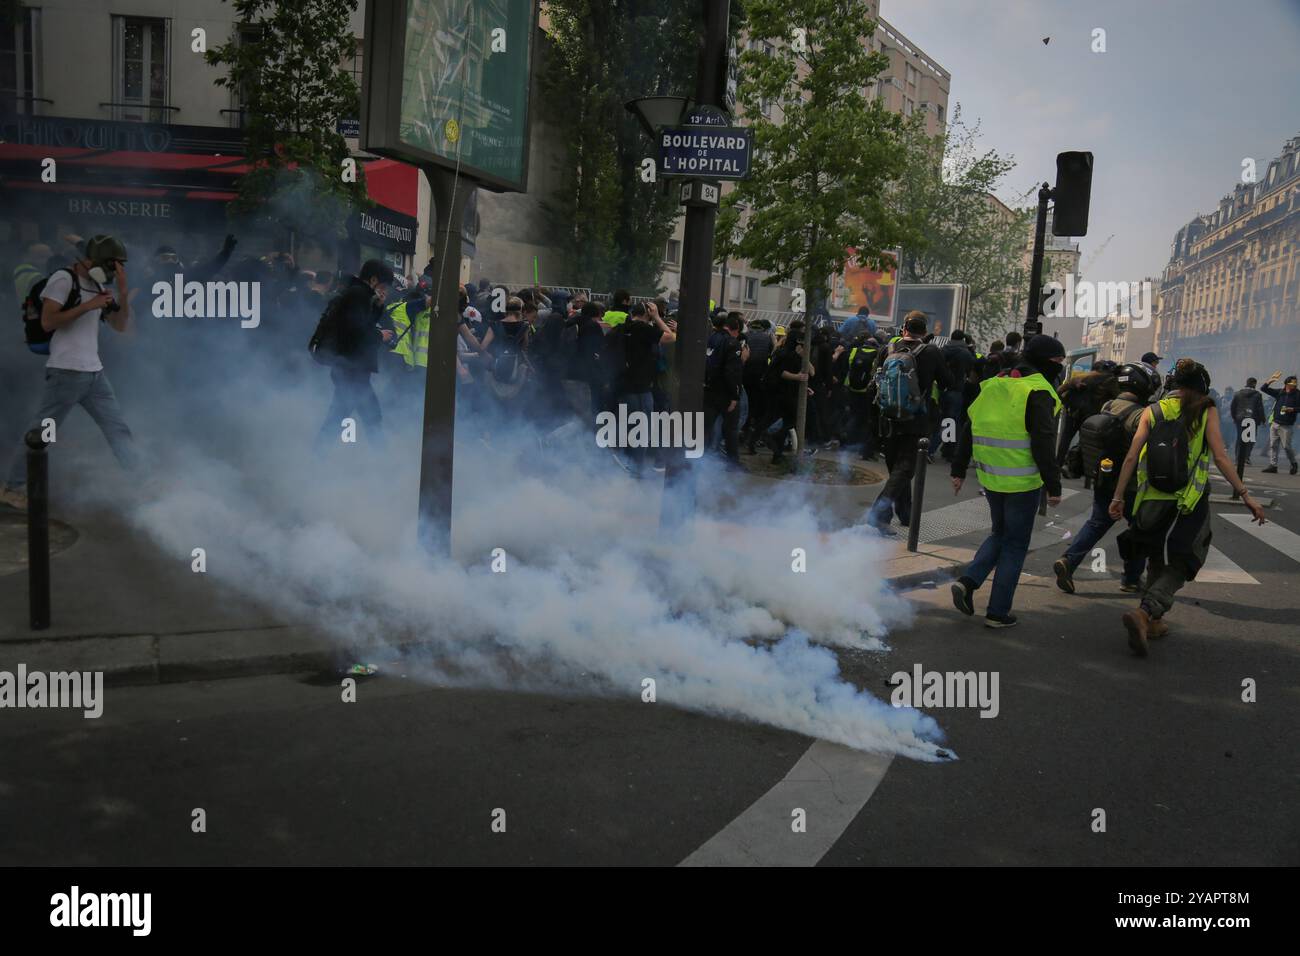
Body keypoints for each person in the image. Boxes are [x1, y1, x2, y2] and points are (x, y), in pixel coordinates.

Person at [1109, 359, 1266, 656]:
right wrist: (1246, 495)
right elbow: (1220, 456)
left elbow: (1132, 456)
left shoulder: (1152, 410)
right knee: (1186, 559)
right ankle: (1145, 613)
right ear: (1201, 386)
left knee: (1156, 555)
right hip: (1188, 501)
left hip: (1150, 499)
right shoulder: (1205, 409)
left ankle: (1153, 623)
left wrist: (1118, 497)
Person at [2, 235, 140, 511]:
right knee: (42, 432)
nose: (114, 271)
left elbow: (121, 326)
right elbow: (49, 320)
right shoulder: (63, 280)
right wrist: (89, 305)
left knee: (117, 428)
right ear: (94, 261)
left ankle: (141, 479)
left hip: (94, 373)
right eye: (112, 265)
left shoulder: (99, 284)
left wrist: (122, 295)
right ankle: (12, 488)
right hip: (66, 371)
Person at [949, 334, 1065, 627]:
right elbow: (1043, 442)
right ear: (1046, 362)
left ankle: (968, 580)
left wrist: (959, 468)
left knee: (999, 534)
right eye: (1058, 363)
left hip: (992, 478)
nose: (1061, 368)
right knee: (1015, 544)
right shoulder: (1038, 390)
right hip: (1023, 482)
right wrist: (1054, 485)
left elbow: (968, 425)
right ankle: (997, 612)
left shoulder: (995, 383)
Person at [1052, 362, 1159, 595]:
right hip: (1129, 484)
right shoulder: (1141, 415)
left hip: (1103, 477)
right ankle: (1131, 578)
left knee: (1097, 523)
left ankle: (1069, 561)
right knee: (1140, 528)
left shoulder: (1109, 405)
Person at [866, 312, 952, 536]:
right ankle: (880, 512)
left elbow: (873, 382)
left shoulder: (888, 349)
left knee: (898, 467)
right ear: (924, 331)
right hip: (916, 419)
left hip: (888, 418)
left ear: (903, 329)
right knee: (905, 468)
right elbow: (947, 382)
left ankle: (905, 515)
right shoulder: (931, 351)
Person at [312, 259, 395, 454]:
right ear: (373, 280)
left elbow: (362, 324)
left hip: (350, 368)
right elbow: (356, 331)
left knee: (346, 416)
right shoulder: (358, 294)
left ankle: (317, 456)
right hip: (351, 368)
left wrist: (378, 307)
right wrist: (379, 335)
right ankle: (384, 461)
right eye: (383, 286)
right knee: (370, 416)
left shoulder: (358, 294)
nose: (384, 291)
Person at [703, 311, 744, 467]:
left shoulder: (710, 338)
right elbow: (732, 371)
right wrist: (735, 396)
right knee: (731, 429)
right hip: (725, 393)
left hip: (708, 390)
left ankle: (700, 460)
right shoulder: (732, 343)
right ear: (735, 330)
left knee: (705, 428)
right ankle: (733, 462)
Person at [1260, 372, 1299, 474]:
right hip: (1275, 423)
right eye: (1291, 385)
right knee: (1273, 445)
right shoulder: (1280, 392)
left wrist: (1293, 409)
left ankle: (1293, 463)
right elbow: (1263, 389)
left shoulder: (1298, 394)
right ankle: (1273, 465)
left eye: (1295, 385)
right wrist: (1270, 380)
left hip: (1287, 425)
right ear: (1286, 384)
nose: (1293, 387)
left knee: (1286, 447)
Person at [1230, 377, 1267, 477]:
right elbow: (1260, 408)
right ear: (1254, 384)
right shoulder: (1257, 395)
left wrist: (1234, 417)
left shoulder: (1238, 393)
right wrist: (1263, 420)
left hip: (1240, 418)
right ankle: (1246, 457)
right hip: (1252, 419)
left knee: (1239, 438)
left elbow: (1233, 407)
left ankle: (1238, 459)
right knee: (1250, 438)